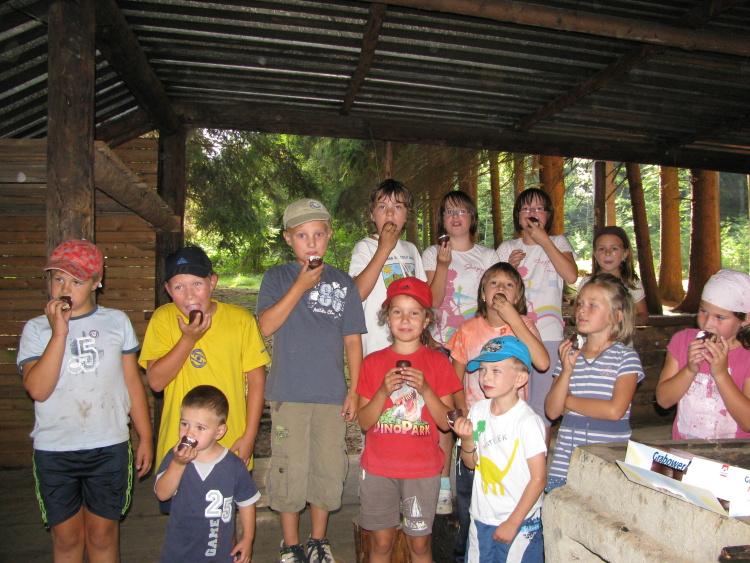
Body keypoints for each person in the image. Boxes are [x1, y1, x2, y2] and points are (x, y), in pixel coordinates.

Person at [18, 239, 153, 561]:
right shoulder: (36, 329)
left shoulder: (116, 322)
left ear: (96, 282)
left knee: (102, 536)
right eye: (58, 279)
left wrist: (146, 437)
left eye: (77, 281)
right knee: (66, 540)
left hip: (108, 445)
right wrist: (59, 332)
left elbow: (132, 382)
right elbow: (38, 390)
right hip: (55, 449)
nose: (65, 289)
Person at [257, 198, 366, 563]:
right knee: (289, 468)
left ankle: (319, 541)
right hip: (289, 394)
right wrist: (301, 286)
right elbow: (266, 325)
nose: (311, 242)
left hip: (332, 396)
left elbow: (353, 341)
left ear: (329, 235)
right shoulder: (277, 278)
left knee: (328, 468)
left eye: (318, 234)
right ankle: (290, 545)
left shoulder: (344, 283)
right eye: (302, 235)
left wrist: (354, 390)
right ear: (288, 239)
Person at [446, 262, 549, 563]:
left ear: (519, 297)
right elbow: (454, 379)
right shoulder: (468, 329)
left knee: (514, 481)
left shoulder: (523, 325)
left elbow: (542, 363)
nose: (500, 289)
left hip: (511, 425)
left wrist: (513, 318)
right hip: (478, 423)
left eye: (509, 285)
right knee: (471, 494)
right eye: (493, 283)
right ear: (482, 292)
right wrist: (463, 417)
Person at [356, 277, 462, 563]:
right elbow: (364, 422)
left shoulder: (438, 362)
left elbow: (446, 423)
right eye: (397, 311)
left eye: (414, 312)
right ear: (387, 318)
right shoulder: (372, 362)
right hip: (378, 468)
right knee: (381, 543)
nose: (405, 320)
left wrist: (426, 389)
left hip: (422, 470)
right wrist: (382, 392)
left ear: (426, 320)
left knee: (420, 545)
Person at [140, 246, 270, 474]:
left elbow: (257, 381)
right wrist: (188, 339)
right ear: (168, 290)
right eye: (179, 287)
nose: (189, 295)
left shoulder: (240, 320)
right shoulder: (164, 319)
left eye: (197, 284)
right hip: (178, 446)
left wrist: (249, 437)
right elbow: (156, 382)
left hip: (229, 441)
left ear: (212, 282)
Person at [422, 190, 498, 515]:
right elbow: (433, 302)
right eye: (449, 212)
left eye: (462, 211)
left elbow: (495, 299)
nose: (455, 218)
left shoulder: (488, 255)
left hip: (479, 348)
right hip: (442, 345)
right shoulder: (432, 253)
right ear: (442, 220)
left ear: (472, 218)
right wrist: (443, 265)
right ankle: (443, 484)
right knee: (447, 415)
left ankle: (486, 474)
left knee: (479, 412)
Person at [545, 273, 644, 491]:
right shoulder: (569, 356)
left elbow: (614, 411)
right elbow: (552, 411)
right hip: (565, 466)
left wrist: (567, 401)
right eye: (580, 303)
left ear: (616, 316)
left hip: (607, 466)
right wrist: (567, 371)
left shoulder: (626, 358)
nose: (582, 310)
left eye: (592, 305)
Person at [495, 188, 578, 444]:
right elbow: (494, 292)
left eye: (539, 208)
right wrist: (509, 268)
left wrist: (544, 241)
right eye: (526, 209)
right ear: (517, 216)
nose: (532, 213)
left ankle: (538, 459)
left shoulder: (559, 242)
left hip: (549, 335)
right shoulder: (507, 248)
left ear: (548, 215)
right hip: (512, 334)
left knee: (542, 406)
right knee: (511, 398)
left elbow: (571, 275)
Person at [452, 336, 546, 563]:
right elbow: (471, 463)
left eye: (496, 371)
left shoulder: (527, 421)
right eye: (483, 369)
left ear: (520, 378)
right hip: (482, 516)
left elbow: (539, 478)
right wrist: (467, 440)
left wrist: (513, 522)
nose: (486, 377)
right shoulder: (478, 411)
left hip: (519, 520)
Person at [155, 385, 259, 562]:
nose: (189, 433)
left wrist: (247, 538)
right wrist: (178, 464)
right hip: (179, 553)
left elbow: (246, 502)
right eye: (184, 424)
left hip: (218, 553)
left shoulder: (233, 465)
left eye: (200, 428)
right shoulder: (174, 457)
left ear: (219, 431)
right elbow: (162, 494)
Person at [655, 269, 750, 439]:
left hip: (735, 452)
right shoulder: (683, 341)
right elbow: (663, 400)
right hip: (685, 449)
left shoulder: (747, 356)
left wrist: (721, 374)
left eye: (720, 317)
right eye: (703, 311)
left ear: (745, 319)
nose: (707, 324)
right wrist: (690, 369)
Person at [349, 179, 427, 357]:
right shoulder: (365, 247)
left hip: (411, 343)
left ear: (406, 215)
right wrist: (384, 248)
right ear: (372, 215)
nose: (390, 213)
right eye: (382, 207)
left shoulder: (411, 249)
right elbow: (357, 294)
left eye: (398, 207)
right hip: (376, 344)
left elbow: (422, 298)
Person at [576, 226, 648, 326]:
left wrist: (623, 320)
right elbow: (575, 312)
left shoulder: (631, 282)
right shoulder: (588, 281)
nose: (608, 253)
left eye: (614, 248)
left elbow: (643, 314)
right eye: (602, 249)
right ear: (595, 254)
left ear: (625, 253)